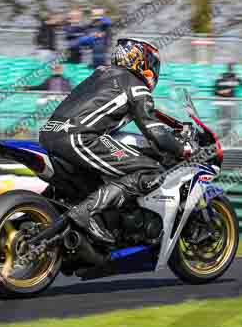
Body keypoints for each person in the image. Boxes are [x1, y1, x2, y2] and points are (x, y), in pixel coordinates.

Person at [39, 38, 192, 244]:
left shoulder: (100, 74)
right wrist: (182, 148)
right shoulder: (135, 85)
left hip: (51, 133)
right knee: (152, 170)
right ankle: (87, 214)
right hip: (79, 138)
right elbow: (156, 133)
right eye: (152, 65)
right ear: (142, 62)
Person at [213, 63, 242, 137]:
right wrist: (224, 92)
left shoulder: (234, 77)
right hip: (222, 102)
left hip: (227, 102)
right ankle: (222, 135)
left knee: (228, 120)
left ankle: (225, 135)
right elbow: (215, 91)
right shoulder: (224, 78)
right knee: (225, 120)